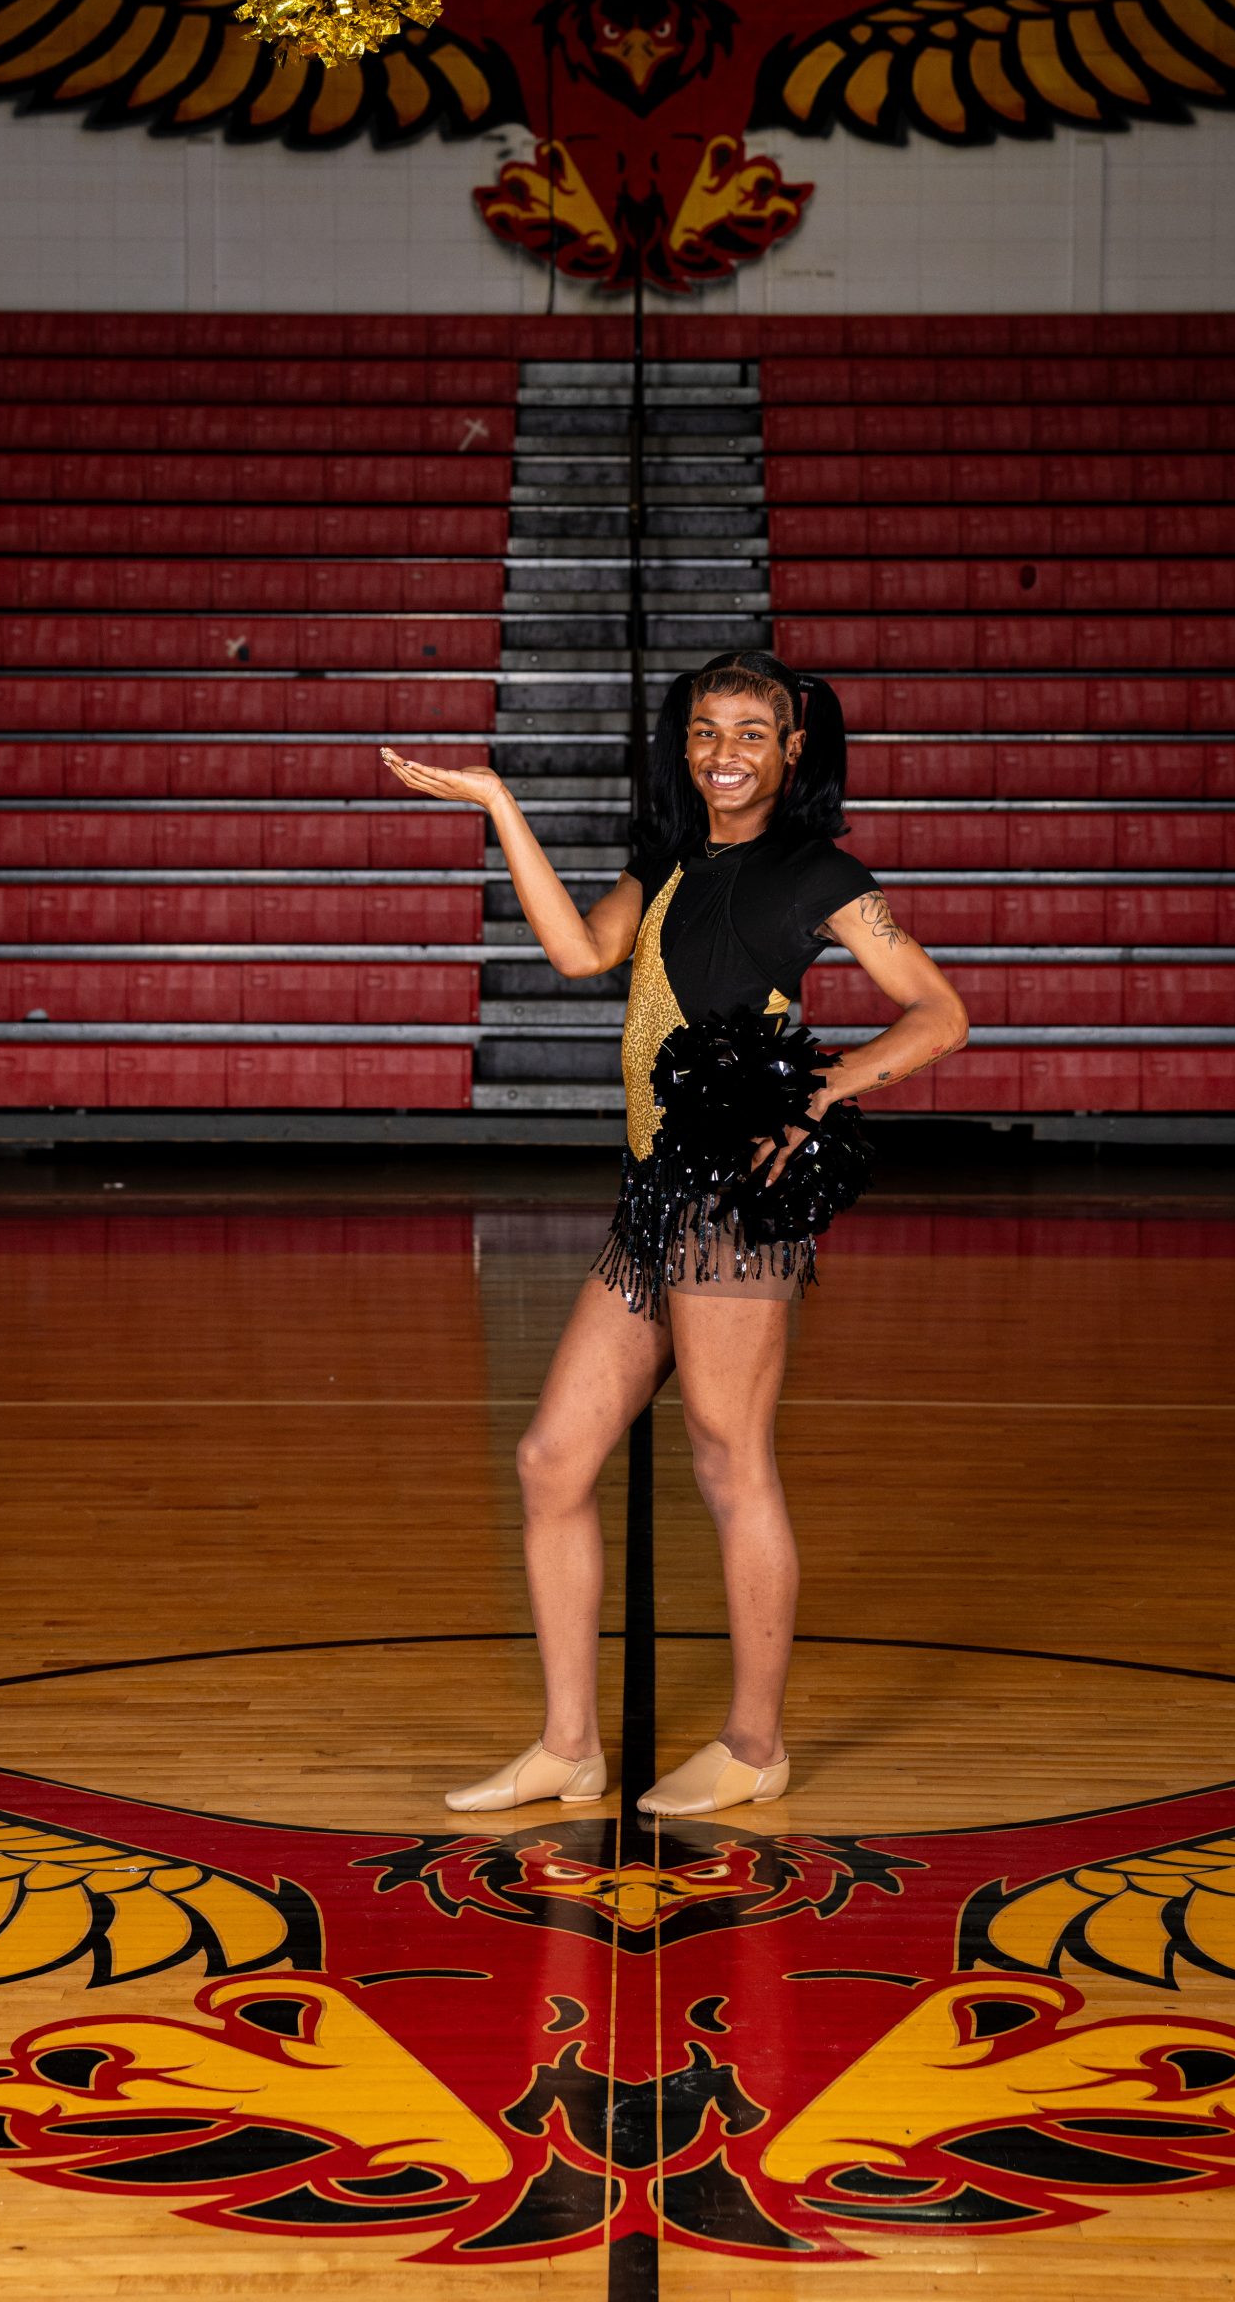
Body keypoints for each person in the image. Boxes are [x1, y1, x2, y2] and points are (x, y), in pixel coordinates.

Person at [382, 649, 968, 1818]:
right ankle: (567, 1748)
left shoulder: (818, 872)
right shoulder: (666, 859)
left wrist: (816, 1092)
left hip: (734, 1202)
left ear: (791, 748)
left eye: (751, 732)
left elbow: (939, 1012)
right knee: (551, 1459)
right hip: (653, 1195)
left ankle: (754, 1746)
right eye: (705, 730)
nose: (724, 754)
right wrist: (498, 803)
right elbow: (577, 953)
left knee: (724, 1457)